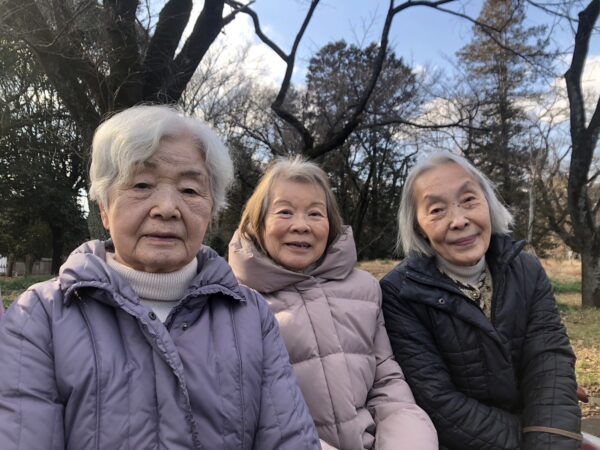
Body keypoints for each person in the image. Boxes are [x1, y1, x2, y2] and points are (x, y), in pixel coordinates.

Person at [0, 105, 320, 450]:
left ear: (211, 211)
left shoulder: (251, 316)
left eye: (190, 190)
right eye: (141, 184)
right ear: (104, 208)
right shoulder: (40, 316)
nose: (167, 208)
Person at [228, 157, 438, 450]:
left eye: (315, 213)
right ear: (258, 223)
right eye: (285, 212)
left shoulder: (365, 290)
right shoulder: (234, 303)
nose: (301, 226)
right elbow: (251, 416)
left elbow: (387, 386)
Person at [380, 152, 582, 450]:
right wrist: (528, 438)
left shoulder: (526, 270)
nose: (459, 220)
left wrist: (549, 439)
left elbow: (548, 361)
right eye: (437, 210)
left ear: (488, 203)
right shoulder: (399, 293)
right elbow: (437, 401)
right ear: (418, 225)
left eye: (469, 200)